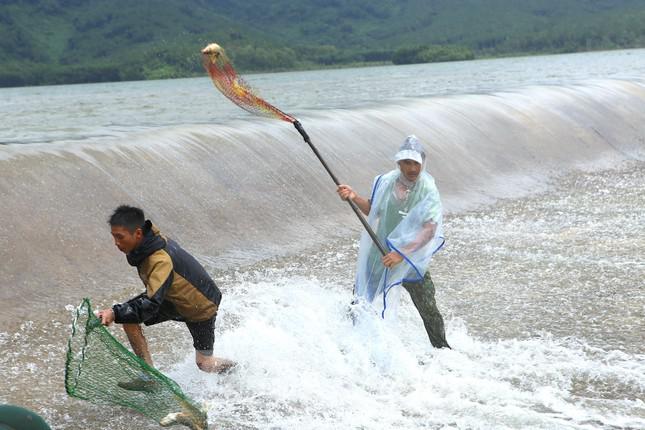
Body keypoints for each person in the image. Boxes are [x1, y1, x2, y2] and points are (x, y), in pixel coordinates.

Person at [337, 135, 450, 348]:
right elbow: (373, 210)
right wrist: (352, 196)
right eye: (407, 162)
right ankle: (348, 345)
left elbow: (430, 229)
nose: (412, 168)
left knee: (428, 308)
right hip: (380, 254)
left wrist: (401, 253)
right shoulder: (385, 182)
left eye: (416, 163)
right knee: (360, 302)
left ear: (422, 163)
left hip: (410, 258)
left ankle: (442, 350)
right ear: (399, 163)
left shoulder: (427, 189)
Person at [97, 205, 234, 381]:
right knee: (128, 318)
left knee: (204, 364)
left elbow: (151, 303)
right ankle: (148, 375)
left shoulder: (160, 260)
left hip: (200, 306)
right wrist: (119, 313)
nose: (116, 243)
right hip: (174, 297)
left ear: (138, 234)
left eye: (120, 237)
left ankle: (238, 370)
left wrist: (115, 312)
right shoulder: (147, 244)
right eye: (114, 237)